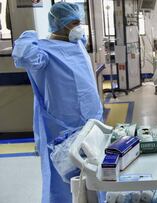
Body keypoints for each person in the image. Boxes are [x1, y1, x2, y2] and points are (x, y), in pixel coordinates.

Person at [12, 2, 103, 203]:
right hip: (63, 125)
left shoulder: (77, 42)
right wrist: (28, 36)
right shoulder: (44, 52)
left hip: (92, 120)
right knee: (65, 178)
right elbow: (24, 56)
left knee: (95, 172)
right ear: (60, 24)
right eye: (75, 22)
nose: (80, 27)